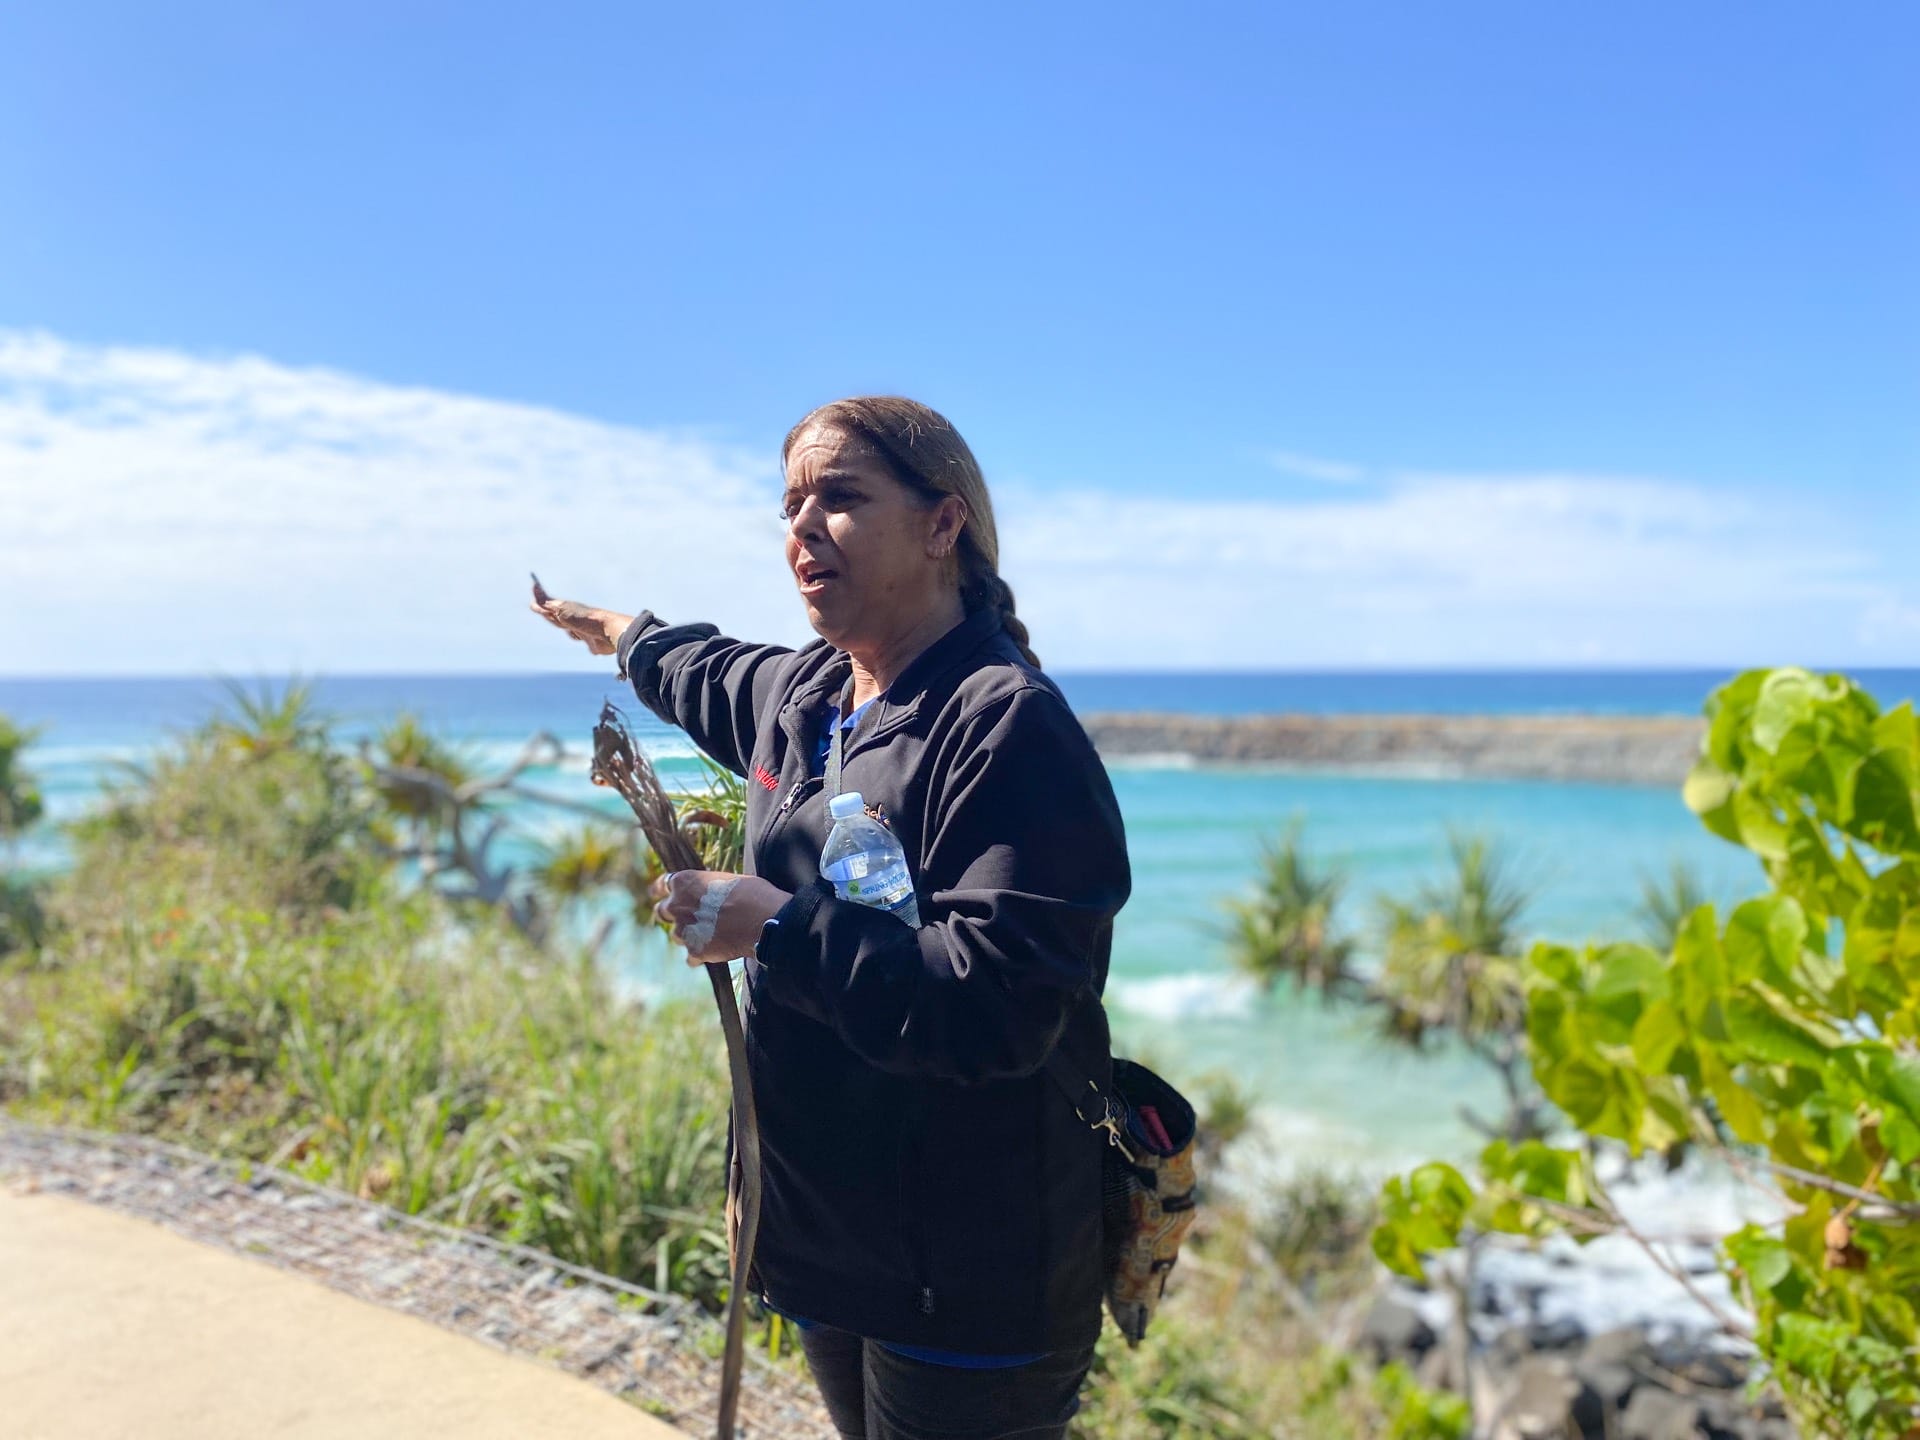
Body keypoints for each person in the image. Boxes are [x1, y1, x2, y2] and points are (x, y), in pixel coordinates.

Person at [531, 396, 1131, 1440]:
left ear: (943, 525)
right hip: (823, 1238)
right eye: (790, 506)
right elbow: (700, 669)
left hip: (965, 1278)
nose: (802, 528)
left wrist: (776, 925)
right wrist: (622, 636)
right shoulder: (806, 695)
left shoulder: (1003, 724)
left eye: (841, 499)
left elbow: (996, 1009)